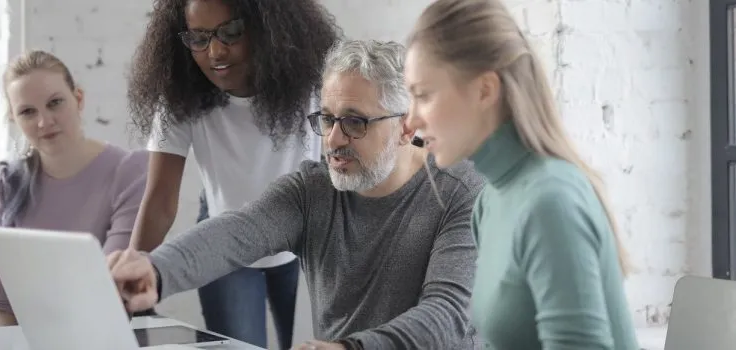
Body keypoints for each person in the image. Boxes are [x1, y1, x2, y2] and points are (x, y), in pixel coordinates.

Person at [109, 39, 483, 350]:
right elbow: (235, 232)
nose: (334, 140)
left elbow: (447, 312)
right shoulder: (313, 191)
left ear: (406, 126)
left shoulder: (460, 193)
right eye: (328, 118)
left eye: (354, 121)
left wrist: (352, 348)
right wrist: (156, 270)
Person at [404, 0, 640, 349]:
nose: (410, 122)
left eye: (423, 95)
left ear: (485, 89)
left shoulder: (551, 202)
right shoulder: (490, 200)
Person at [125, 0, 341, 348]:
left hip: (308, 242)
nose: (215, 51)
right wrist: (130, 276)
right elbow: (161, 199)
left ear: (267, 28)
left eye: (231, 33)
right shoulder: (181, 95)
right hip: (224, 244)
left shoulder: (312, 83)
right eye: (199, 37)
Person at [0, 50, 148, 328]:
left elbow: (109, 293)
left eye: (55, 103)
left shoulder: (129, 173)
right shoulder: (1, 188)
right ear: (14, 119)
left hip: (103, 335)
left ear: (78, 99)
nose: (44, 122)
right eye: (27, 112)